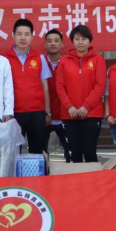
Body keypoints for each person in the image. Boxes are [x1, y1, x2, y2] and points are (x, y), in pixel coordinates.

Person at [56, 25, 106, 163]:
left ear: (89, 41)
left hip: (91, 114)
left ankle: (93, 178)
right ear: (72, 41)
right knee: (74, 154)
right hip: (69, 114)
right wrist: (69, 106)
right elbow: (60, 86)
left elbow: (100, 85)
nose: (80, 42)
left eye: (84, 39)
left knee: (90, 152)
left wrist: (86, 106)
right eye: (77, 39)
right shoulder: (64, 60)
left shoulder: (98, 59)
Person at [2, 19, 52, 155]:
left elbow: (45, 86)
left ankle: (37, 171)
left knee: (37, 150)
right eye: (19, 34)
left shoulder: (39, 57)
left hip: (37, 112)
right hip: (14, 112)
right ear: (13, 35)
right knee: (13, 151)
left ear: (32, 36)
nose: (23, 38)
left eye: (26, 34)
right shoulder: (4, 59)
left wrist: (47, 112)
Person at [44, 29, 70, 162]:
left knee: (70, 153)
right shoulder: (39, 62)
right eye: (49, 41)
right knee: (41, 153)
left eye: (56, 41)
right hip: (44, 116)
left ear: (62, 44)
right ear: (45, 45)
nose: (53, 44)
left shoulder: (68, 63)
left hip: (64, 115)